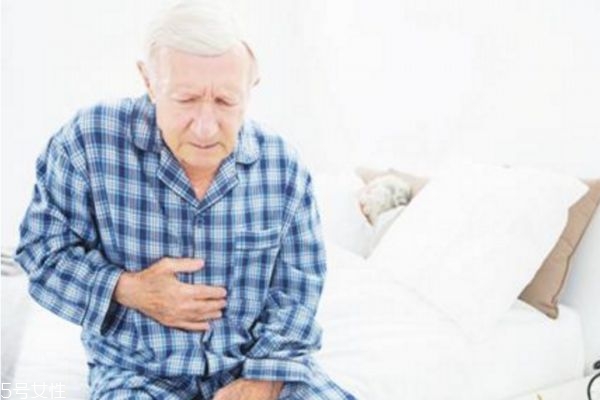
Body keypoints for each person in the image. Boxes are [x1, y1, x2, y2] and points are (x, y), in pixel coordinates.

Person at [15, 1, 355, 399]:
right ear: (149, 81)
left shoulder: (284, 168)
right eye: (186, 99)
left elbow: (297, 292)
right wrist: (127, 288)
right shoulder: (87, 142)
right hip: (137, 373)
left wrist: (263, 381)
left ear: (251, 87)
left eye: (226, 101)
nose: (206, 128)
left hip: (256, 369)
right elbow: (41, 253)